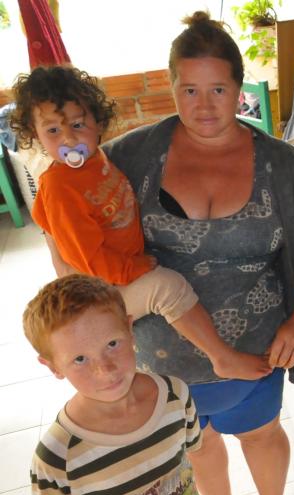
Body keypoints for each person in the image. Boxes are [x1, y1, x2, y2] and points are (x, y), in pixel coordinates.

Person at [95, 11, 294, 495]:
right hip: (160, 358)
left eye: (218, 89)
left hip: (255, 352)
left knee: (261, 434)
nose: (204, 105)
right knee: (199, 444)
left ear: (239, 89)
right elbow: (71, 214)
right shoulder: (129, 158)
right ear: (171, 87)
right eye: (189, 89)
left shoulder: (281, 165)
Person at [10, 65, 272, 382]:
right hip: (101, 288)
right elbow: (88, 260)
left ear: (97, 121)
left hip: (115, 270)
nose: (69, 138)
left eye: (78, 125)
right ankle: (222, 358)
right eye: (53, 131)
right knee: (168, 287)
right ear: (35, 135)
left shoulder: (96, 161)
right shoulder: (61, 186)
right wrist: (132, 269)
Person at [23, 274, 216, 495]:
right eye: (80, 359)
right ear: (53, 366)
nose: (106, 369)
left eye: (112, 344)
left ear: (129, 328)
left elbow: (191, 455)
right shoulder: (55, 456)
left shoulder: (175, 395)